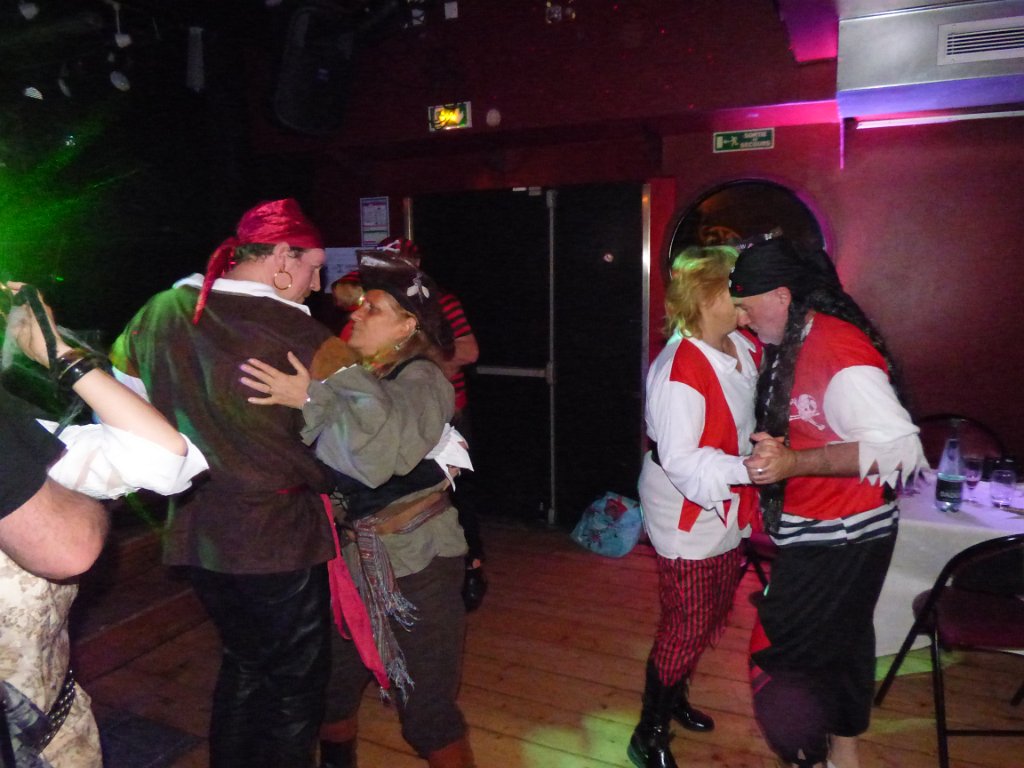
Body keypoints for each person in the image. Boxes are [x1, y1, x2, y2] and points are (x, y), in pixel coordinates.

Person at [109, 199, 357, 768]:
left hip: (198, 528)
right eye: (313, 267)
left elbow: (120, 402)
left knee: (244, 662)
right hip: (276, 535)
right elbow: (363, 432)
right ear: (281, 257)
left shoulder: (163, 309)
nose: (318, 284)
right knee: (293, 683)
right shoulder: (308, 335)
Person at [238, 250, 474, 768]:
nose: (357, 315)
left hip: (417, 562)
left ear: (408, 326)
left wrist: (315, 394)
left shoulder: (424, 380)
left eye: (373, 308)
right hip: (345, 562)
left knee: (427, 715)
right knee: (331, 693)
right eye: (359, 305)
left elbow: (375, 459)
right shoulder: (355, 377)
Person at [730, 236, 927, 768]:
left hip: (841, 531)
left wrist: (794, 463)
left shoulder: (836, 348)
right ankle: (844, 755)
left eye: (746, 306)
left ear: (781, 296)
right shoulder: (797, 338)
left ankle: (807, 758)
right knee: (845, 642)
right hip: (844, 526)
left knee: (774, 657)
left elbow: (902, 450)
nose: (743, 319)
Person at [0, 281, 207, 768]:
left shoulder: (18, 429)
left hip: (58, 728)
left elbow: (164, 456)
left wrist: (60, 354)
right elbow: (68, 548)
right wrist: (88, 504)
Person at [627, 246, 762, 768]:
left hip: (725, 497)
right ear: (707, 294)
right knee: (686, 622)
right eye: (738, 285)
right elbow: (683, 461)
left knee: (708, 610)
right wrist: (751, 469)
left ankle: (675, 697)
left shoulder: (740, 345)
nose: (748, 294)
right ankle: (649, 732)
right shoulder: (679, 367)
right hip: (687, 507)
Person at [334, 237, 487, 611]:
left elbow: (469, 350)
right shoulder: (371, 303)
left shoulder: (441, 302)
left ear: (416, 262)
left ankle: (470, 568)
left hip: (446, 410)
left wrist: (424, 352)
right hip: (392, 412)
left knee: (452, 492)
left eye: (399, 259)